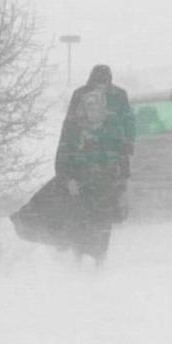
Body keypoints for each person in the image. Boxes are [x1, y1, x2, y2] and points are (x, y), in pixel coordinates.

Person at [54, 64, 135, 265]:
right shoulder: (75, 125)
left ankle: (99, 259)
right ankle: (78, 257)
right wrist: (66, 177)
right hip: (80, 179)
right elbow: (65, 148)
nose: (101, 88)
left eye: (104, 84)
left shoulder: (114, 119)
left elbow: (125, 138)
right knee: (80, 219)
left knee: (102, 221)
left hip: (106, 179)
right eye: (97, 84)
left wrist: (123, 178)